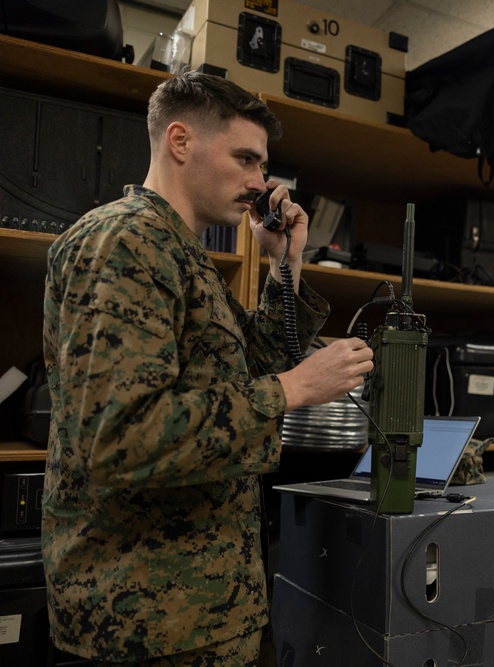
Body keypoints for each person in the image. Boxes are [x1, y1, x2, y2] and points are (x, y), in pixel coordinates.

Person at [41, 71, 374, 665]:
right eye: (245, 159)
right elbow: (122, 438)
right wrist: (293, 390)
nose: (258, 184)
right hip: (144, 620)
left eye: (262, 165)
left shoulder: (181, 254)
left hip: (200, 611)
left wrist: (284, 266)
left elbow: (245, 365)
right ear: (180, 140)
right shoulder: (125, 243)